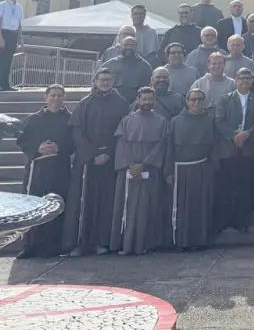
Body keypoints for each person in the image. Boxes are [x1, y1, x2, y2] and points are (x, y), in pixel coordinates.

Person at [63, 68, 131, 256]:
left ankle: (102, 242)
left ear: (113, 81)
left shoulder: (122, 103)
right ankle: (79, 244)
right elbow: (77, 132)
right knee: (83, 201)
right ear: (95, 81)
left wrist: (108, 153)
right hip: (86, 161)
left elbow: (123, 132)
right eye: (102, 79)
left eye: (109, 79)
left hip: (110, 160)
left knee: (106, 202)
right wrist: (92, 154)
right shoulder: (84, 103)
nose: (105, 82)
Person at [16, 84, 75, 257]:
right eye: (52, 95)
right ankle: (29, 246)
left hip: (59, 169)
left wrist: (58, 147)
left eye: (59, 95)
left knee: (56, 206)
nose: (55, 99)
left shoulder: (70, 119)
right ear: (45, 97)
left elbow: (74, 142)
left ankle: (53, 246)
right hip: (37, 169)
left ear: (64, 98)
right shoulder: (34, 118)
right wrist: (38, 148)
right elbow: (22, 140)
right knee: (33, 205)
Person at [110, 87, 168, 255]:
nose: (147, 102)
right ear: (137, 100)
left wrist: (144, 164)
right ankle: (125, 244)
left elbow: (160, 146)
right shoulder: (127, 120)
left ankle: (145, 244)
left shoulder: (162, 121)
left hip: (150, 171)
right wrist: (131, 165)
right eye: (144, 99)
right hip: (128, 171)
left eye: (150, 99)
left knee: (147, 207)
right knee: (126, 206)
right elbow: (122, 144)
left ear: (154, 100)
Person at [165, 88, 219, 251]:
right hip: (180, 170)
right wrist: (168, 172)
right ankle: (180, 241)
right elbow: (169, 148)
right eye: (193, 99)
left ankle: (199, 240)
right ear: (187, 101)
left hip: (202, 169)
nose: (196, 102)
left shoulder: (210, 121)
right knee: (181, 208)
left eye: (200, 99)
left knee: (200, 207)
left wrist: (213, 168)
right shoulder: (175, 121)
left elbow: (214, 146)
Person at [215, 68, 254, 234]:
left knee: (244, 187)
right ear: (235, 80)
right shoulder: (225, 99)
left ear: (252, 81)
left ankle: (242, 221)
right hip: (229, 149)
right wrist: (233, 136)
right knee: (226, 187)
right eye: (241, 78)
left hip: (249, 149)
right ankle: (224, 220)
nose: (245, 81)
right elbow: (219, 121)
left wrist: (247, 134)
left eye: (248, 78)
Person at [101, 36, 153, 103]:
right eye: (126, 45)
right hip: (112, 104)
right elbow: (98, 83)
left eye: (132, 45)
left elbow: (150, 88)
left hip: (136, 105)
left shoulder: (145, 66)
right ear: (120, 46)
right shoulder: (109, 65)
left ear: (136, 47)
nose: (129, 47)